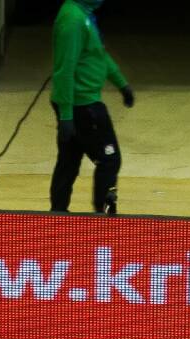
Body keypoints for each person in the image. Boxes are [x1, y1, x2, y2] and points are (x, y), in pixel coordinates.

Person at [50, 0, 134, 214]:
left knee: (69, 160)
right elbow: (64, 69)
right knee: (109, 160)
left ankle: (57, 213)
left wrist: (121, 83)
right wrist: (66, 115)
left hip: (81, 103)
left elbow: (98, 54)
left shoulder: (83, 14)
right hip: (82, 105)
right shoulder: (73, 20)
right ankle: (102, 216)